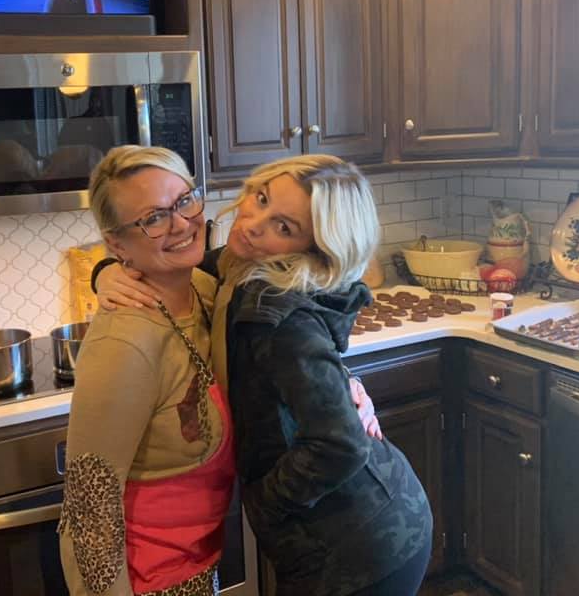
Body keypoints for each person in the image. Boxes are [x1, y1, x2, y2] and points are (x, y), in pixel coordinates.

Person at [96, 154, 433, 596]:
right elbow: (177, 266)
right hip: (343, 530)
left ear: (310, 250)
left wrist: (264, 503)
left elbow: (342, 444)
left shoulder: (279, 316)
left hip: (361, 544)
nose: (254, 224)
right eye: (261, 198)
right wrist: (107, 272)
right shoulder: (239, 265)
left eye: (284, 227)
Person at [58, 145, 233, 595]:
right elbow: (89, 510)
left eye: (184, 201)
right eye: (153, 218)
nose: (181, 224)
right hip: (150, 584)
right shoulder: (124, 344)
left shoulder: (205, 290)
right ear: (117, 244)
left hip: (200, 570)